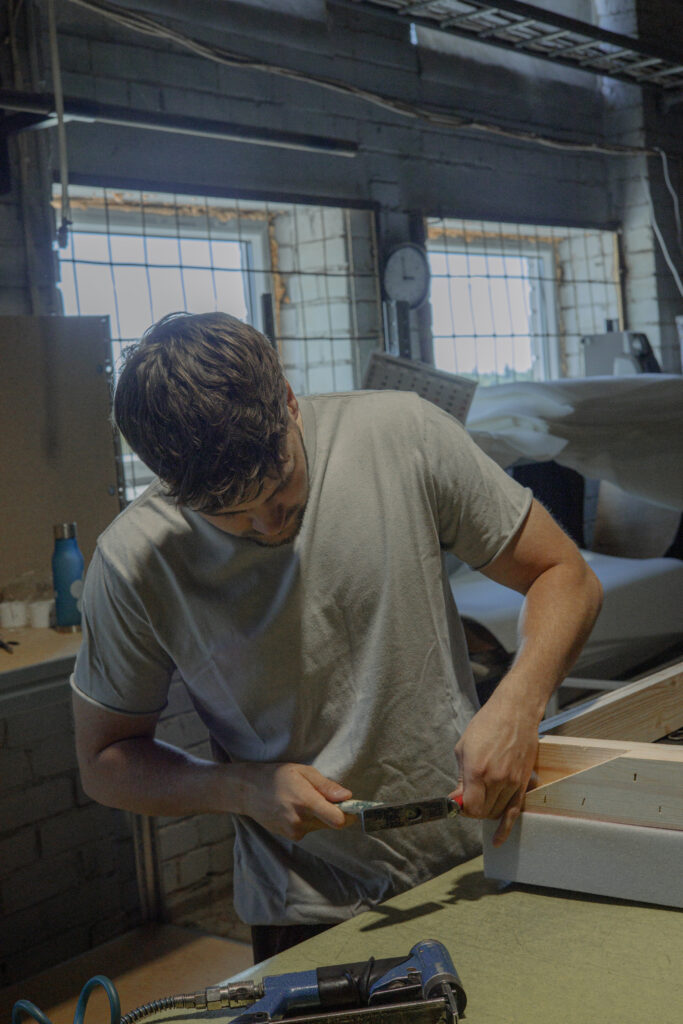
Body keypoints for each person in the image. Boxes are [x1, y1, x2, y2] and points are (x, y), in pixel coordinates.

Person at [71, 311, 602, 961]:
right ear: (170, 488)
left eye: (281, 486)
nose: (267, 525)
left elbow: (564, 575)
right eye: (231, 516)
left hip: (477, 857)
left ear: (289, 402)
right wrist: (243, 788)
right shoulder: (131, 564)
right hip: (304, 906)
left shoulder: (401, 435)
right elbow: (106, 762)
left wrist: (517, 705)